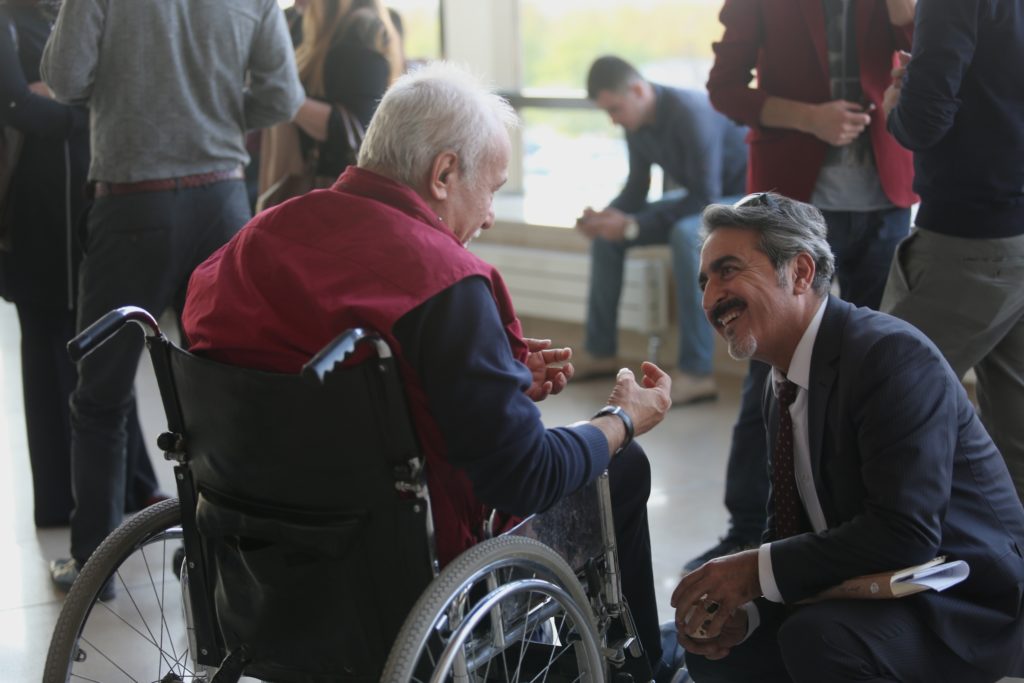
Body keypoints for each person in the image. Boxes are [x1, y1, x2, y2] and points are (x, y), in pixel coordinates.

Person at [183, 63, 679, 681]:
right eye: (491, 189)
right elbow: (524, 476)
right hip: (405, 579)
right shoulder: (442, 282)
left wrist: (492, 377)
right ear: (443, 174)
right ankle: (640, 668)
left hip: (257, 560)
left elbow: (319, 386)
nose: (490, 215)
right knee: (622, 466)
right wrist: (622, 419)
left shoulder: (245, 246)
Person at [671, 192, 1024, 683]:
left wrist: (751, 571)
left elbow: (906, 534)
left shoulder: (890, 356)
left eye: (727, 271)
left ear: (800, 272)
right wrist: (746, 613)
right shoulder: (781, 381)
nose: (711, 299)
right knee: (720, 652)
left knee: (817, 638)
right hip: (869, 585)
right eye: (704, 282)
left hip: (962, 605)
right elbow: (790, 526)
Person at [40, 0, 304, 592]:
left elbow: (64, 79)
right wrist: (217, 111)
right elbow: (282, 97)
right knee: (222, 389)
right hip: (224, 204)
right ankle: (227, 558)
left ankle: (94, 568)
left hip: (133, 204)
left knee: (101, 394)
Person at [685, 0, 918, 571]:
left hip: (887, 199)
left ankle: (852, 526)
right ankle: (746, 531)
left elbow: (934, 63)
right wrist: (808, 117)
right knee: (765, 371)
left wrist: (906, 14)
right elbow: (724, 88)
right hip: (788, 206)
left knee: (872, 368)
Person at [0, 0, 157, 528]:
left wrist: (65, 101)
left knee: (99, 341)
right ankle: (63, 499)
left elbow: (106, 83)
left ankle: (128, 485)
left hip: (86, 198)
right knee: (53, 347)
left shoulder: (68, 14)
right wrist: (86, 110)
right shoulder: (8, 20)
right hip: (36, 210)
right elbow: (18, 104)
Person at [881, 0, 1024, 504]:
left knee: (875, 397)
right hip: (1013, 230)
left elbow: (923, 121)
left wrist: (896, 107)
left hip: (969, 239)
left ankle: (896, 548)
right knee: (1017, 440)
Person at [575, 56, 747, 407]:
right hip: (705, 197)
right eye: (607, 112)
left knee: (686, 234)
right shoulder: (636, 122)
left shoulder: (690, 113)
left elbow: (706, 199)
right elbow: (637, 188)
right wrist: (608, 217)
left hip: (746, 197)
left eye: (615, 109)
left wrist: (632, 225)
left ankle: (697, 373)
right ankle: (601, 351)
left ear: (638, 91)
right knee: (608, 239)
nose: (613, 119)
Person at [290, 0, 402, 181]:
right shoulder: (306, 23)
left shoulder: (362, 28)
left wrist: (286, 100)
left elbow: (357, 127)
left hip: (338, 184)